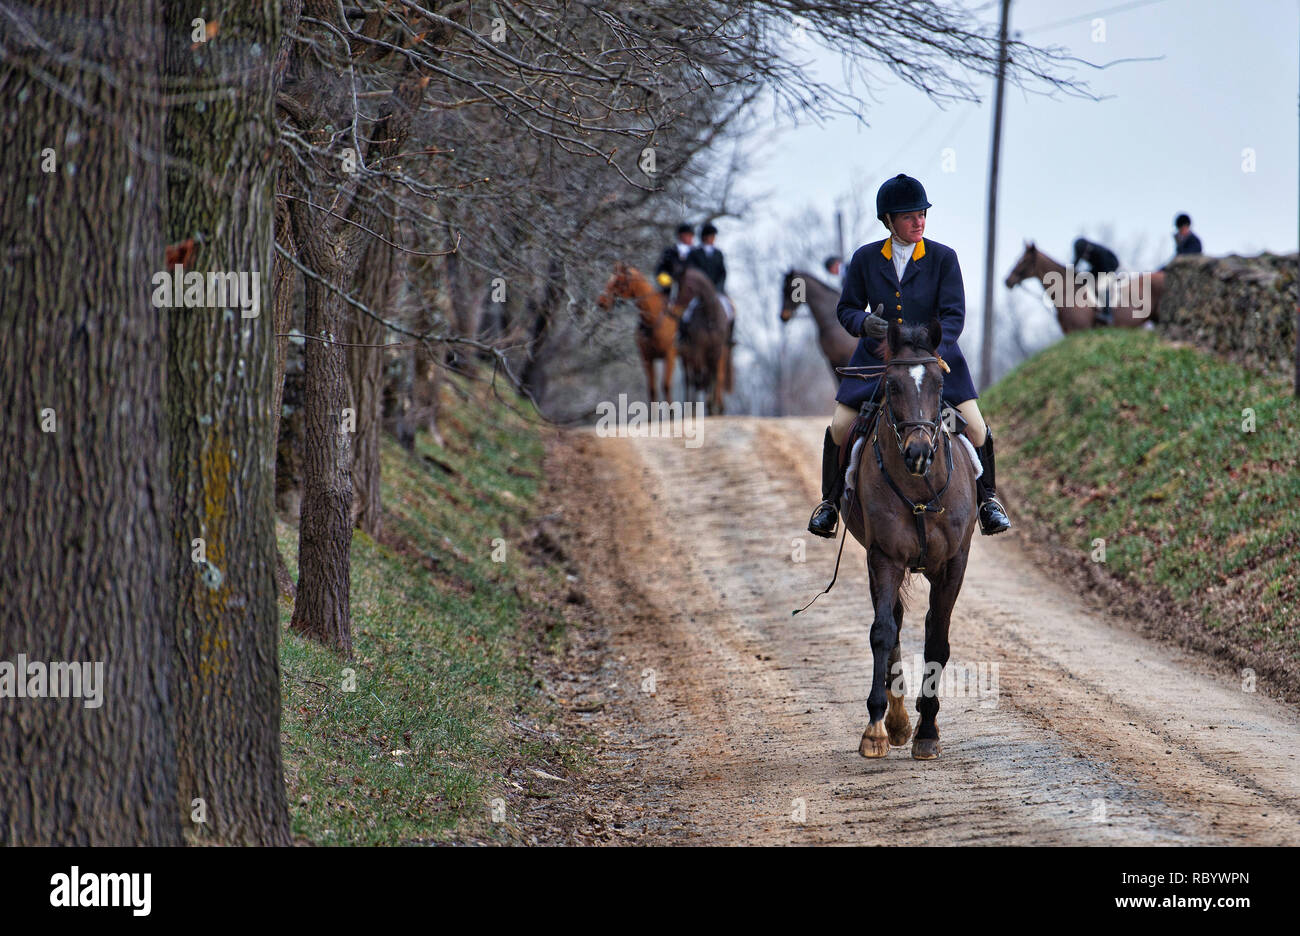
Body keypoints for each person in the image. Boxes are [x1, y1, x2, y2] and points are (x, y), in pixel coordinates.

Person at [807, 173, 1010, 539]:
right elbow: (847, 309)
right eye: (909, 216)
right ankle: (829, 505)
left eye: (922, 214)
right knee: (839, 427)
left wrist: (931, 349)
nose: (919, 221)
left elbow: (954, 315)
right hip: (876, 364)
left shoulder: (943, 258)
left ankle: (988, 502)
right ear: (889, 220)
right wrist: (865, 322)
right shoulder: (866, 259)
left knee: (976, 428)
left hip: (936, 363)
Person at [686, 221, 735, 343]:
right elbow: (692, 272)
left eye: (713, 236)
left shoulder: (718, 254)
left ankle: (729, 338)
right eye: (710, 236)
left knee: (731, 310)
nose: (712, 239)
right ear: (704, 237)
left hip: (717, 290)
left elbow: (723, 273)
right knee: (686, 312)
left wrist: (718, 288)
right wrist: (699, 289)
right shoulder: (694, 253)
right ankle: (684, 338)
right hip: (698, 293)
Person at [1071, 237, 1120, 326]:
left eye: (1083, 255)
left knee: (1100, 287)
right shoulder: (1084, 250)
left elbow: (1105, 269)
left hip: (1110, 267)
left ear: (1087, 249)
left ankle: (1107, 314)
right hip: (1099, 268)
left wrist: (1094, 278)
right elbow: (1076, 263)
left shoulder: (1098, 252)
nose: (1083, 257)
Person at [654, 223, 694, 294]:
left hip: (691, 289)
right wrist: (664, 278)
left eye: (691, 236)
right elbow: (660, 268)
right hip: (671, 289)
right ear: (680, 236)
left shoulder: (696, 253)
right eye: (688, 235)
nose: (690, 238)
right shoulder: (669, 251)